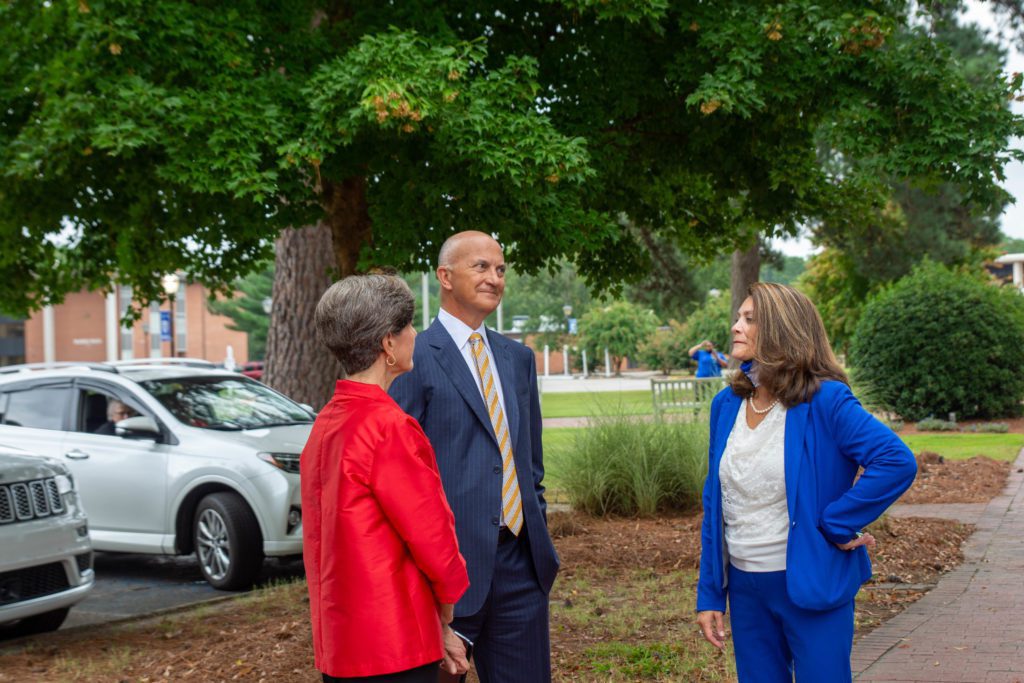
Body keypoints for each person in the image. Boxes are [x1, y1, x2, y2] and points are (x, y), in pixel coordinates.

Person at [695, 282, 917, 682]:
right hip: (745, 589)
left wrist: (837, 521)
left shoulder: (826, 399)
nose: (735, 326)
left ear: (781, 329)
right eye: (737, 318)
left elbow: (895, 461)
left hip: (811, 581)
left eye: (749, 319)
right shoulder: (725, 404)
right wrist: (710, 592)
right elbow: (716, 502)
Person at [390, 231, 560, 683]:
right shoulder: (414, 357)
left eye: (500, 269)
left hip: (521, 567)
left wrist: (534, 523)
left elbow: (531, 463)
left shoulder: (517, 358)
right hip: (447, 576)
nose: (494, 277)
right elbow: (402, 476)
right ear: (444, 276)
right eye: (480, 267)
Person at [302, 274, 469, 683]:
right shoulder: (388, 426)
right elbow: (433, 536)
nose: (415, 333)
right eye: (408, 326)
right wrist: (446, 611)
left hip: (341, 640)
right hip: (394, 642)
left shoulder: (327, 422)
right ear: (388, 344)